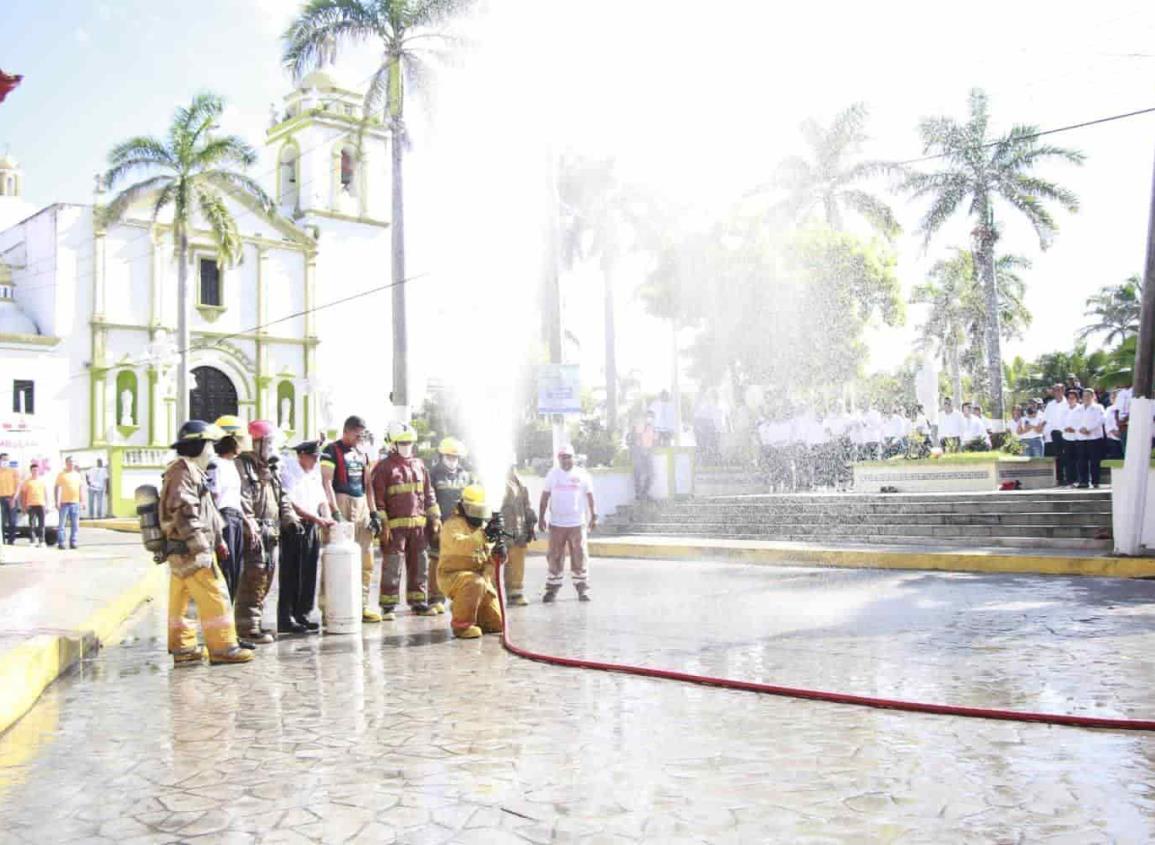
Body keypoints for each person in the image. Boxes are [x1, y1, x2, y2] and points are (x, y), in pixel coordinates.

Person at [159, 420, 251, 666]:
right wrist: (201, 548)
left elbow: (208, 511)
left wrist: (218, 539)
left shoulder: (189, 470)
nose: (212, 450)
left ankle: (184, 647)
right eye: (209, 445)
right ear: (198, 446)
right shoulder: (182, 472)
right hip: (190, 549)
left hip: (183, 549)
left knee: (183, 600)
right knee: (216, 595)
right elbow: (185, 513)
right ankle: (223, 647)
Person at [235, 419, 299, 642]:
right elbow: (242, 499)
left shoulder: (271, 469)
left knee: (265, 581)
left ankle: (256, 624)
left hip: (271, 534)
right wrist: (249, 523)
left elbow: (283, 498)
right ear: (255, 443)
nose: (272, 448)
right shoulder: (242, 466)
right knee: (253, 580)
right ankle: (247, 629)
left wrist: (290, 518)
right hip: (255, 533)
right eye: (268, 443)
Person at [370, 421, 440, 620]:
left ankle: (418, 602)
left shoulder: (419, 465)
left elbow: (428, 493)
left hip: (419, 527)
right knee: (393, 565)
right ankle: (388, 605)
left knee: (420, 564)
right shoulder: (384, 469)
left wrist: (434, 517)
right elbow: (378, 499)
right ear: (392, 444)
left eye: (409, 442)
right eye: (402, 443)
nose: (407, 446)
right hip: (395, 529)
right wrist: (383, 525)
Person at [321, 416, 381, 623]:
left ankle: (362, 604)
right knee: (336, 558)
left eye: (363, 434)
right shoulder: (331, 450)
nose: (360, 438)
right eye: (357, 434)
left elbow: (368, 485)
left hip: (361, 503)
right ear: (346, 431)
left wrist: (374, 513)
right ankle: (329, 608)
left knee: (366, 558)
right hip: (341, 500)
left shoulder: (362, 453)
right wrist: (334, 510)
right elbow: (326, 482)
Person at [279, 440, 334, 633]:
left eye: (318, 458)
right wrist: (317, 519)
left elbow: (322, 500)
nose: (315, 461)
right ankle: (286, 617)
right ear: (301, 455)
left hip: (313, 524)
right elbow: (291, 503)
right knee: (292, 572)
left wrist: (326, 517)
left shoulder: (314, 473)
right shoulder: (290, 472)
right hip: (295, 525)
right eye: (313, 457)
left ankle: (303, 613)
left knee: (309, 570)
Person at [436, 484, 502, 639]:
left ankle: (464, 605)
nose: (478, 515)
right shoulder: (452, 525)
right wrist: (483, 535)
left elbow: (488, 560)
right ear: (463, 507)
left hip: (479, 580)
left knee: (496, 624)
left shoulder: (484, 528)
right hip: (452, 576)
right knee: (474, 582)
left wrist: (498, 554)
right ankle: (462, 625)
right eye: (474, 510)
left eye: (482, 510)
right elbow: (462, 546)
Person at [538, 444, 596, 602]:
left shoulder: (582, 474)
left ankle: (582, 588)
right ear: (559, 459)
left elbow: (590, 497)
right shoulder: (553, 474)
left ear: (573, 457)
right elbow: (544, 497)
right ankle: (552, 589)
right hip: (557, 524)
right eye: (563, 457)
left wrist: (594, 515)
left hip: (577, 523)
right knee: (554, 556)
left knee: (579, 555)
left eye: (568, 457)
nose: (566, 460)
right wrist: (541, 517)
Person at [428, 436, 472, 614]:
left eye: (455, 457)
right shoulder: (433, 475)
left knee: (460, 561)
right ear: (442, 456)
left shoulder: (465, 475)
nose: (452, 460)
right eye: (449, 456)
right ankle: (435, 599)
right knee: (437, 561)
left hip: (460, 526)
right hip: (440, 525)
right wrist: (434, 519)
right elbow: (429, 498)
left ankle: (459, 598)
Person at [208, 427, 245, 600]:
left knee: (237, 566)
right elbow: (214, 496)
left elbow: (237, 497)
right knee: (227, 566)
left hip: (236, 515)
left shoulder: (233, 465)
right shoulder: (215, 465)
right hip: (225, 516)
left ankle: (230, 605)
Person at [500, 466, 535, 607]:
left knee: (516, 560)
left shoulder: (519, 481)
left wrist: (529, 518)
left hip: (517, 528)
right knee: (492, 563)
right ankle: (491, 595)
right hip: (500, 528)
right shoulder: (490, 477)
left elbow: (525, 502)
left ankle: (515, 593)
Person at [1072, 387, 1107, 488]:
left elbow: (1101, 420)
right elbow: (1073, 421)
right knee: (1081, 461)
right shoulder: (1078, 409)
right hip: (1081, 438)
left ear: (1093, 396)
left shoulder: (1098, 407)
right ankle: (1083, 481)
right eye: (1084, 396)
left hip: (1094, 437)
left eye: (1088, 396)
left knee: (1095, 461)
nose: (1086, 398)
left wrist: (1089, 429)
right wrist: (1080, 429)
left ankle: (1095, 481)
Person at [55, 456, 84, 550]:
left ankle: (73, 542)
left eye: (73, 462)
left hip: (75, 503)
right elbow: (57, 488)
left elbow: (81, 488)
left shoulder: (77, 475)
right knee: (62, 524)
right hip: (64, 503)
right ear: (66, 463)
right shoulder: (61, 475)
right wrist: (57, 501)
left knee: (75, 524)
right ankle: (61, 542)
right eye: (70, 462)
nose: (71, 464)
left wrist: (82, 501)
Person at [1043, 384, 1069, 485]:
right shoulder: (1050, 404)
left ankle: (1070, 477)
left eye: (1058, 390)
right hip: (1053, 434)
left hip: (1066, 433)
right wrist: (1043, 430)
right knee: (1057, 457)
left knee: (1067, 456)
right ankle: (1060, 478)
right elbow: (1045, 419)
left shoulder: (1067, 403)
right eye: (1054, 390)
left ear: (1063, 390)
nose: (1056, 392)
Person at [629, 412, 656, 500]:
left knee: (651, 474)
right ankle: (639, 494)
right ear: (645, 417)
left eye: (651, 417)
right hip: (639, 451)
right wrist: (642, 449)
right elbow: (638, 438)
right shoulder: (641, 425)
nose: (650, 418)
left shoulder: (652, 428)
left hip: (648, 452)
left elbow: (653, 440)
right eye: (648, 417)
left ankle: (644, 493)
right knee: (639, 472)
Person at [19, 462, 46, 547]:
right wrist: (24, 506)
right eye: (34, 470)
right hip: (31, 505)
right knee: (32, 524)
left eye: (37, 470)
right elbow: (23, 494)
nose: (35, 471)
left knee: (42, 524)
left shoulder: (41, 481)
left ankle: (41, 541)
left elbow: (45, 493)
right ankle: (32, 541)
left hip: (41, 504)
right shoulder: (27, 482)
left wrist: (47, 504)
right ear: (31, 471)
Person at [1059, 388, 1082, 486]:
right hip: (1067, 437)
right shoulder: (1064, 410)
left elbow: (1083, 422)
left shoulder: (1081, 409)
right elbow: (1060, 423)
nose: (1070, 400)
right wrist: (1065, 428)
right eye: (1069, 398)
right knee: (1068, 460)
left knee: (1079, 459)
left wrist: (1075, 429)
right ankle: (1070, 481)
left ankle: (1080, 480)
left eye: (1073, 398)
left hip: (1078, 437)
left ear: (1077, 399)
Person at [0, 453, 19, 545]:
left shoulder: (13, 471)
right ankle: (2, 540)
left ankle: (11, 540)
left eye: (7, 460)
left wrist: (14, 498)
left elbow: (18, 486)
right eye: (3, 460)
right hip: (1, 499)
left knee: (12, 521)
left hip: (12, 498)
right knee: (2, 521)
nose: (5, 461)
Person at [1104, 390, 1124, 460]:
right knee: (1115, 456)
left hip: (1123, 435)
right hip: (1112, 437)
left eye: (1115, 397)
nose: (1112, 399)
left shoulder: (1125, 408)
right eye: (1111, 397)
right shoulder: (1109, 409)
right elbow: (1106, 422)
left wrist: (1120, 431)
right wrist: (1112, 431)